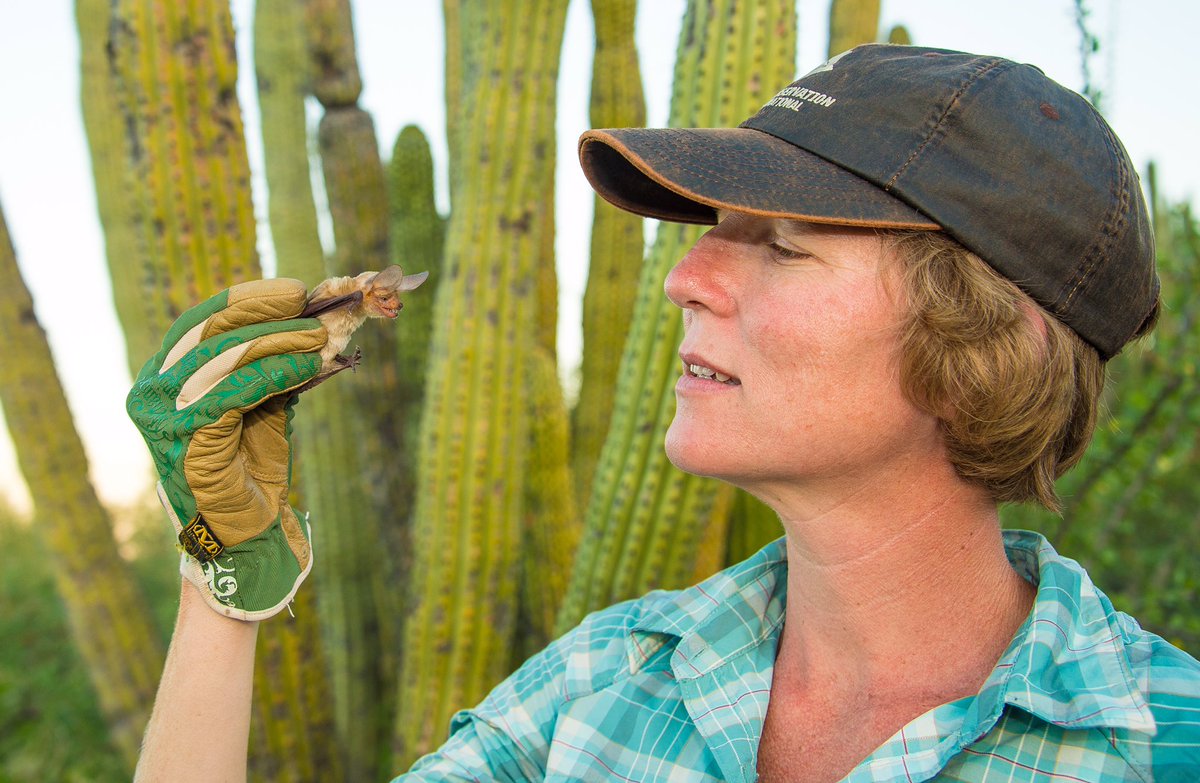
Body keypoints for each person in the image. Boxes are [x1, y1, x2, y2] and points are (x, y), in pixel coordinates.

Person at [131, 45, 1199, 782]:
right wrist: (226, 585)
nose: (686, 276)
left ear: (988, 344)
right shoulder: (601, 688)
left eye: (782, 245)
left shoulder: (1164, 744)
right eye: (712, 231)